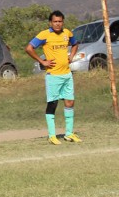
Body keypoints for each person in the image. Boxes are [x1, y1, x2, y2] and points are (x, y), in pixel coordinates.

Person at [25, 10, 82, 145]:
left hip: (67, 74)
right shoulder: (44, 35)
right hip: (53, 76)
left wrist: (71, 56)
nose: (57, 24)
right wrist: (42, 61)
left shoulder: (67, 33)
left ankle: (69, 134)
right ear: (50, 22)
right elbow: (29, 48)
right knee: (53, 104)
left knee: (70, 102)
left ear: (63, 22)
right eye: (55, 21)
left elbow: (75, 44)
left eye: (60, 21)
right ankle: (52, 135)